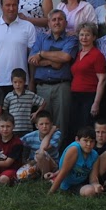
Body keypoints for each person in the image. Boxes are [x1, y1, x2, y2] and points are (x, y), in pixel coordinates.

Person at [28, 9, 77, 139]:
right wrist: (53, 62)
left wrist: (42, 54)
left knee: (61, 124)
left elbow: (65, 57)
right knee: (43, 124)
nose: (57, 22)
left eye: (60, 19)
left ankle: (59, 151)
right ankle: (43, 150)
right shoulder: (41, 38)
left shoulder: (71, 39)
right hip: (42, 87)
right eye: (53, 20)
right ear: (49, 23)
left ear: (66, 23)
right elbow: (32, 59)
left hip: (62, 87)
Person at [0, 0, 38, 95]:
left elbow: (32, 57)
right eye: (7, 5)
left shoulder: (28, 27)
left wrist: (31, 81)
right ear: (1, 7)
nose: (11, 8)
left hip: (20, 83)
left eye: (14, 5)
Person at [70, 21, 106, 134]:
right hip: (75, 95)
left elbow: (102, 80)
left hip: (89, 96)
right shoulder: (78, 54)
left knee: (86, 128)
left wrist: (96, 103)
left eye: (87, 35)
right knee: (75, 127)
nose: (84, 38)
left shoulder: (97, 55)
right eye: (81, 35)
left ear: (94, 37)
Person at [48, 128, 104, 196]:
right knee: (89, 191)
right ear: (77, 140)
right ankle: (56, 184)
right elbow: (63, 172)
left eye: (92, 141)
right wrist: (50, 193)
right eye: (85, 140)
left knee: (91, 190)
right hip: (66, 184)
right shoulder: (74, 149)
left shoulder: (95, 155)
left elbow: (93, 179)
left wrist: (96, 185)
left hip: (79, 184)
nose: (89, 144)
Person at [17, 110, 62, 182]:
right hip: (35, 163)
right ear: (36, 126)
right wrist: (25, 160)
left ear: (51, 124)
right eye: (41, 124)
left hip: (52, 164)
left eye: (47, 124)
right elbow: (17, 143)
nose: (44, 126)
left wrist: (51, 131)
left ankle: (46, 178)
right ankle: (37, 175)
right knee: (20, 175)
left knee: (40, 154)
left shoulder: (56, 134)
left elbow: (44, 147)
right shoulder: (30, 136)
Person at [2, 67, 40, 135]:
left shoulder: (30, 95)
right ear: (12, 82)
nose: (17, 84)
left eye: (20, 82)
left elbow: (43, 103)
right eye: (15, 82)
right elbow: (4, 109)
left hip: (27, 127)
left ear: (24, 82)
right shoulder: (9, 96)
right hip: (13, 128)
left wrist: (36, 113)